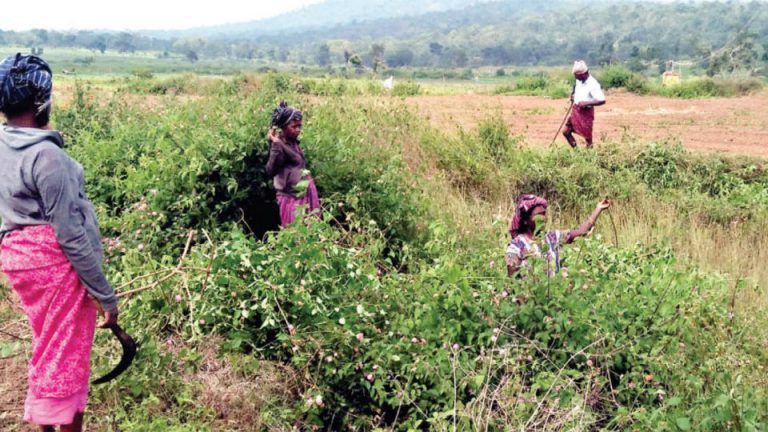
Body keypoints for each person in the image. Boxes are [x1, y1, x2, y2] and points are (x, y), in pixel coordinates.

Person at [0, 53, 118, 432]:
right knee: (67, 355)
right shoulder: (48, 157)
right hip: (55, 268)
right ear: (42, 102)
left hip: (21, 263)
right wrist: (103, 294)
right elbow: (71, 235)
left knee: (50, 342)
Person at [506, 194, 611, 277]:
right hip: (530, 302)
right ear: (525, 221)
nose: (544, 219)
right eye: (538, 215)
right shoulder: (516, 247)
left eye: (544, 214)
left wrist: (598, 209)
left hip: (553, 298)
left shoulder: (552, 237)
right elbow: (513, 282)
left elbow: (581, 232)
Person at [265, 101, 320, 227]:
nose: (298, 130)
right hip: (291, 198)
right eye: (294, 126)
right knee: (294, 234)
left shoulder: (293, 142)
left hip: (302, 195)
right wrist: (276, 144)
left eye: (299, 126)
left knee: (309, 234)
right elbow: (270, 171)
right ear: (283, 127)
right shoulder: (279, 146)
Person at [563, 60, 606, 149]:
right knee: (566, 132)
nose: (575, 77)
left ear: (583, 74)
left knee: (588, 139)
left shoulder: (593, 84)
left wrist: (586, 103)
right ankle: (577, 153)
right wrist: (573, 96)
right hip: (576, 110)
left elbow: (602, 100)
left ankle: (588, 158)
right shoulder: (579, 80)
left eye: (576, 75)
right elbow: (576, 89)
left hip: (586, 113)